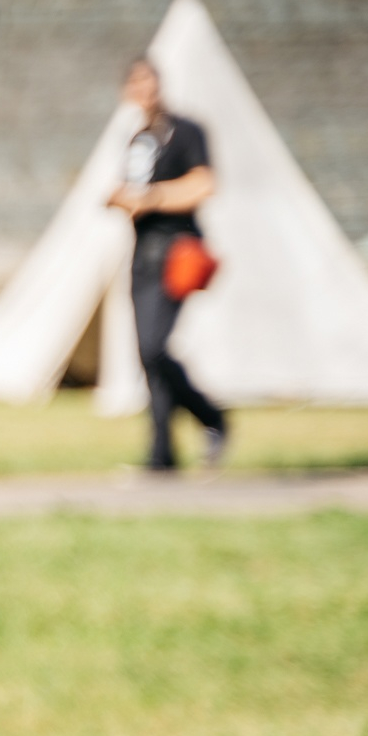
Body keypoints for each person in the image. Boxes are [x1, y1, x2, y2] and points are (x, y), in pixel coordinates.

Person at [106, 58, 229, 472]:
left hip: (177, 252)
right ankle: (162, 454)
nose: (144, 89)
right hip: (142, 255)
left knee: (155, 347)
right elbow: (134, 199)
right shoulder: (136, 140)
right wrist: (122, 200)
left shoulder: (185, 130)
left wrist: (153, 198)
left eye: (148, 80)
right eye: (135, 81)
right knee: (146, 355)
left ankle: (211, 416)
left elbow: (204, 184)